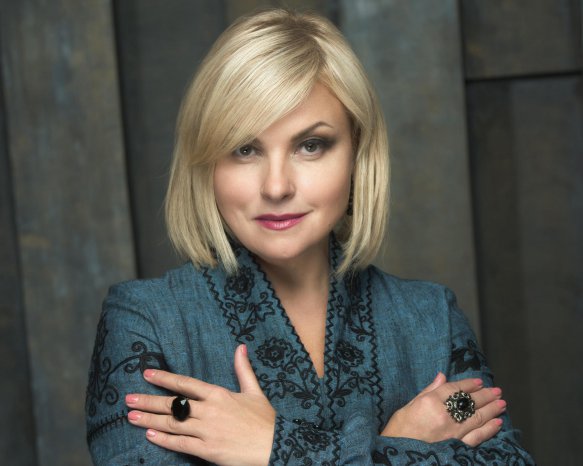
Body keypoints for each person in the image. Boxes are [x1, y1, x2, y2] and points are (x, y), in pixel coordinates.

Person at [85, 8, 534, 465]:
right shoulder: (145, 323)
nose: (276, 186)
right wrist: (399, 446)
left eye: (310, 145)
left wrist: (272, 449)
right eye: (245, 149)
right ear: (208, 162)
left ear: (357, 151)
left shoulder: (432, 317)